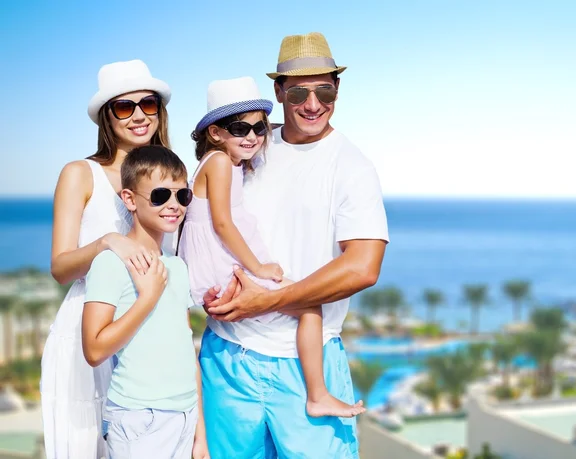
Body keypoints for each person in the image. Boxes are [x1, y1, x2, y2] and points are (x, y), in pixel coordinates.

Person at [200, 32, 389, 458]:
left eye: (324, 89)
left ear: (337, 89)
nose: (312, 103)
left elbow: (363, 267)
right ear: (278, 91)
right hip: (226, 357)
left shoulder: (352, 167)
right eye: (299, 90)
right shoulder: (248, 147)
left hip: (304, 366)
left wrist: (264, 302)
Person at [178, 76, 365, 425]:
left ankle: (317, 394)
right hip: (222, 268)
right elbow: (222, 224)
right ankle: (317, 396)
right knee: (309, 306)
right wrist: (258, 267)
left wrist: (278, 126)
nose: (251, 137)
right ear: (215, 133)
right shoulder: (219, 164)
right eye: (239, 128)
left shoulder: (225, 160)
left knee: (305, 304)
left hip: (216, 267)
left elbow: (275, 131)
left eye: (258, 129)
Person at [40, 59, 174, 459]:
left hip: (147, 329)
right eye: (123, 107)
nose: (138, 115)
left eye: (148, 104)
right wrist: (107, 242)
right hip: (87, 332)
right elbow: (61, 267)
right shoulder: (80, 174)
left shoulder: (167, 175)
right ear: (106, 116)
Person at [81, 145, 208, 459]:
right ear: (129, 199)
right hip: (139, 419)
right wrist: (147, 298)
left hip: (184, 417)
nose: (174, 205)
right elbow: (94, 350)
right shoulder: (110, 264)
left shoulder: (177, 267)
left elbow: (185, 351)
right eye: (161, 195)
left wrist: (199, 435)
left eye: (183, 196)